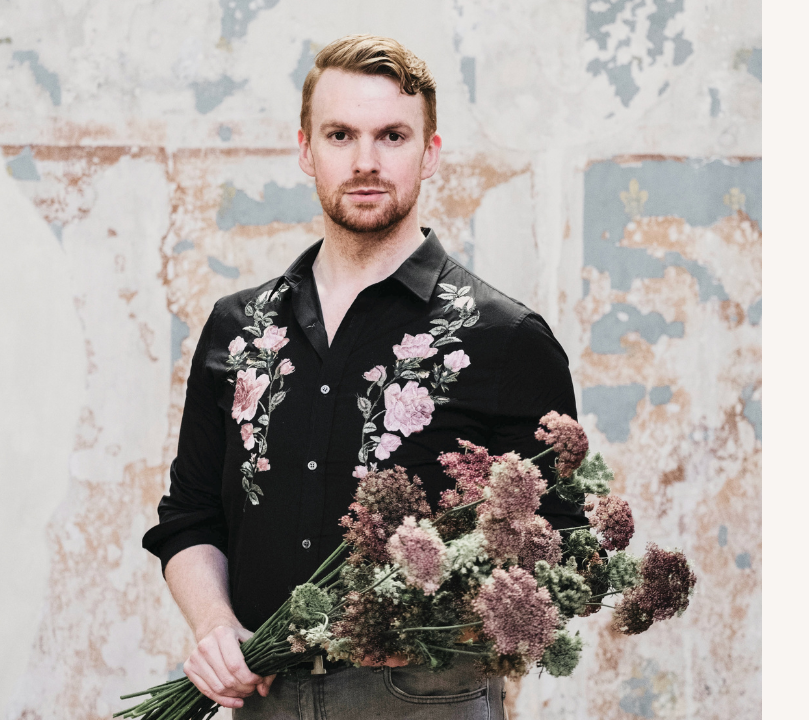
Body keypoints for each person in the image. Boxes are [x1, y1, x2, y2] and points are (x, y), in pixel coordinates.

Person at [142, 34, 585, 717]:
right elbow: (191, 514)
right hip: (264, 696)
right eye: (341, 134)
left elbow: (565, 548)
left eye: (393, 136)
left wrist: (438, 621)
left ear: (430, 153)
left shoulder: (506, 339)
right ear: (305, 149)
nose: (366, 161)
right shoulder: (240, 327)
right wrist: (212, 627)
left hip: (427, 700)